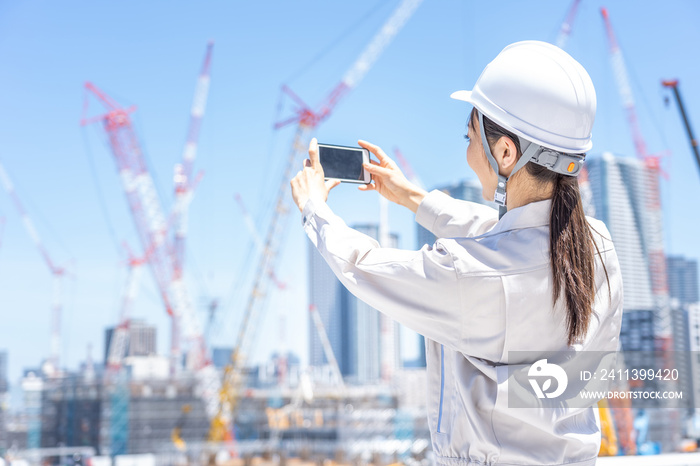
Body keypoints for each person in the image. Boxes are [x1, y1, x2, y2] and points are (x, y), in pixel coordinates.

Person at [290, 40, 622, 465]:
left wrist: (315, 210)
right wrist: (411, 196)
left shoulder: (473, 275)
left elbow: (366, 267)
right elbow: (501, 240)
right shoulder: (597, 247)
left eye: (470, 137)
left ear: (505, 152)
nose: (467, 152)